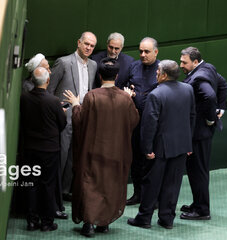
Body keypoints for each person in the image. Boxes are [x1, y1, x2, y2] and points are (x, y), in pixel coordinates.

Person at [63, 58, 139, 237]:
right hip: (116, 151)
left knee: (91, 185)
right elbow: (134, 120)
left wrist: (75, 105)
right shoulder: (125, 98)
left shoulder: (92, 96)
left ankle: (89, 224)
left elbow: (80, 121)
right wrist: (128, 99)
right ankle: (104, 222)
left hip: (93, 150)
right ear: (117, 76)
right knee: (110, 185)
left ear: (99, 75)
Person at [127, 60, 195, 229]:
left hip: (159, 149)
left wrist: (147, 149)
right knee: (173, 184)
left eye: (157, 71)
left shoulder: (155, 95)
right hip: (181, 146)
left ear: (164, 75)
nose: (155, 74)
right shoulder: (188, 89)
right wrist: (188, 143)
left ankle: (144, 218)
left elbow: (149, 125)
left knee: (151, 183)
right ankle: (167, 219)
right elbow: (192, 117)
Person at [179, 46, 227, 220]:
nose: (181, 65)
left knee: (197, 171)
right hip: (202, 132)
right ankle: (198, 203)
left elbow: (208, 96)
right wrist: (221, 107)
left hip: (199, 132)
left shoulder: (199, 78)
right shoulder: (209, 68)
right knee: (197, 170)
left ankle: (202, 210)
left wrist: (210, 118)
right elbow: (223, 83)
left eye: (184, 62)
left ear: (195, 62)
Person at [48, 32, 97, 200]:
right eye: (86, 44)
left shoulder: (93, 65)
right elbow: (50, 91)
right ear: (79, 43)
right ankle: (53, 194)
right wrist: (56, 111)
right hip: (64, 118)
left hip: (83, 117)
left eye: (92, 46)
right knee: (61, 156)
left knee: (74, 157)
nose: (88, 48)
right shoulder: (63, 62)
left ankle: (65, 191)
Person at [21, 53, 68, 220]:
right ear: (47, 81)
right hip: (49, 149)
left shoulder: (24, 97)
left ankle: (32, 220)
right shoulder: (54, 101)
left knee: (32, 184)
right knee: (48, 185)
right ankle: (47, 221)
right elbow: (62, 123)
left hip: (30, 147)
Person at [126, 37, 159, 206]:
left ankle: (151, 197)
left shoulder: (162, 70)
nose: (143, 55)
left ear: (156, 52)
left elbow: (155, 99)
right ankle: (138, 194)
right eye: (140, 51)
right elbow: (126, 87)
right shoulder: (134, 67)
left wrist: (137, 96)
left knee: (151, 163)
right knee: (136, 161)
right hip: (135, 123)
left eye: (147, 51)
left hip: (154, 125)